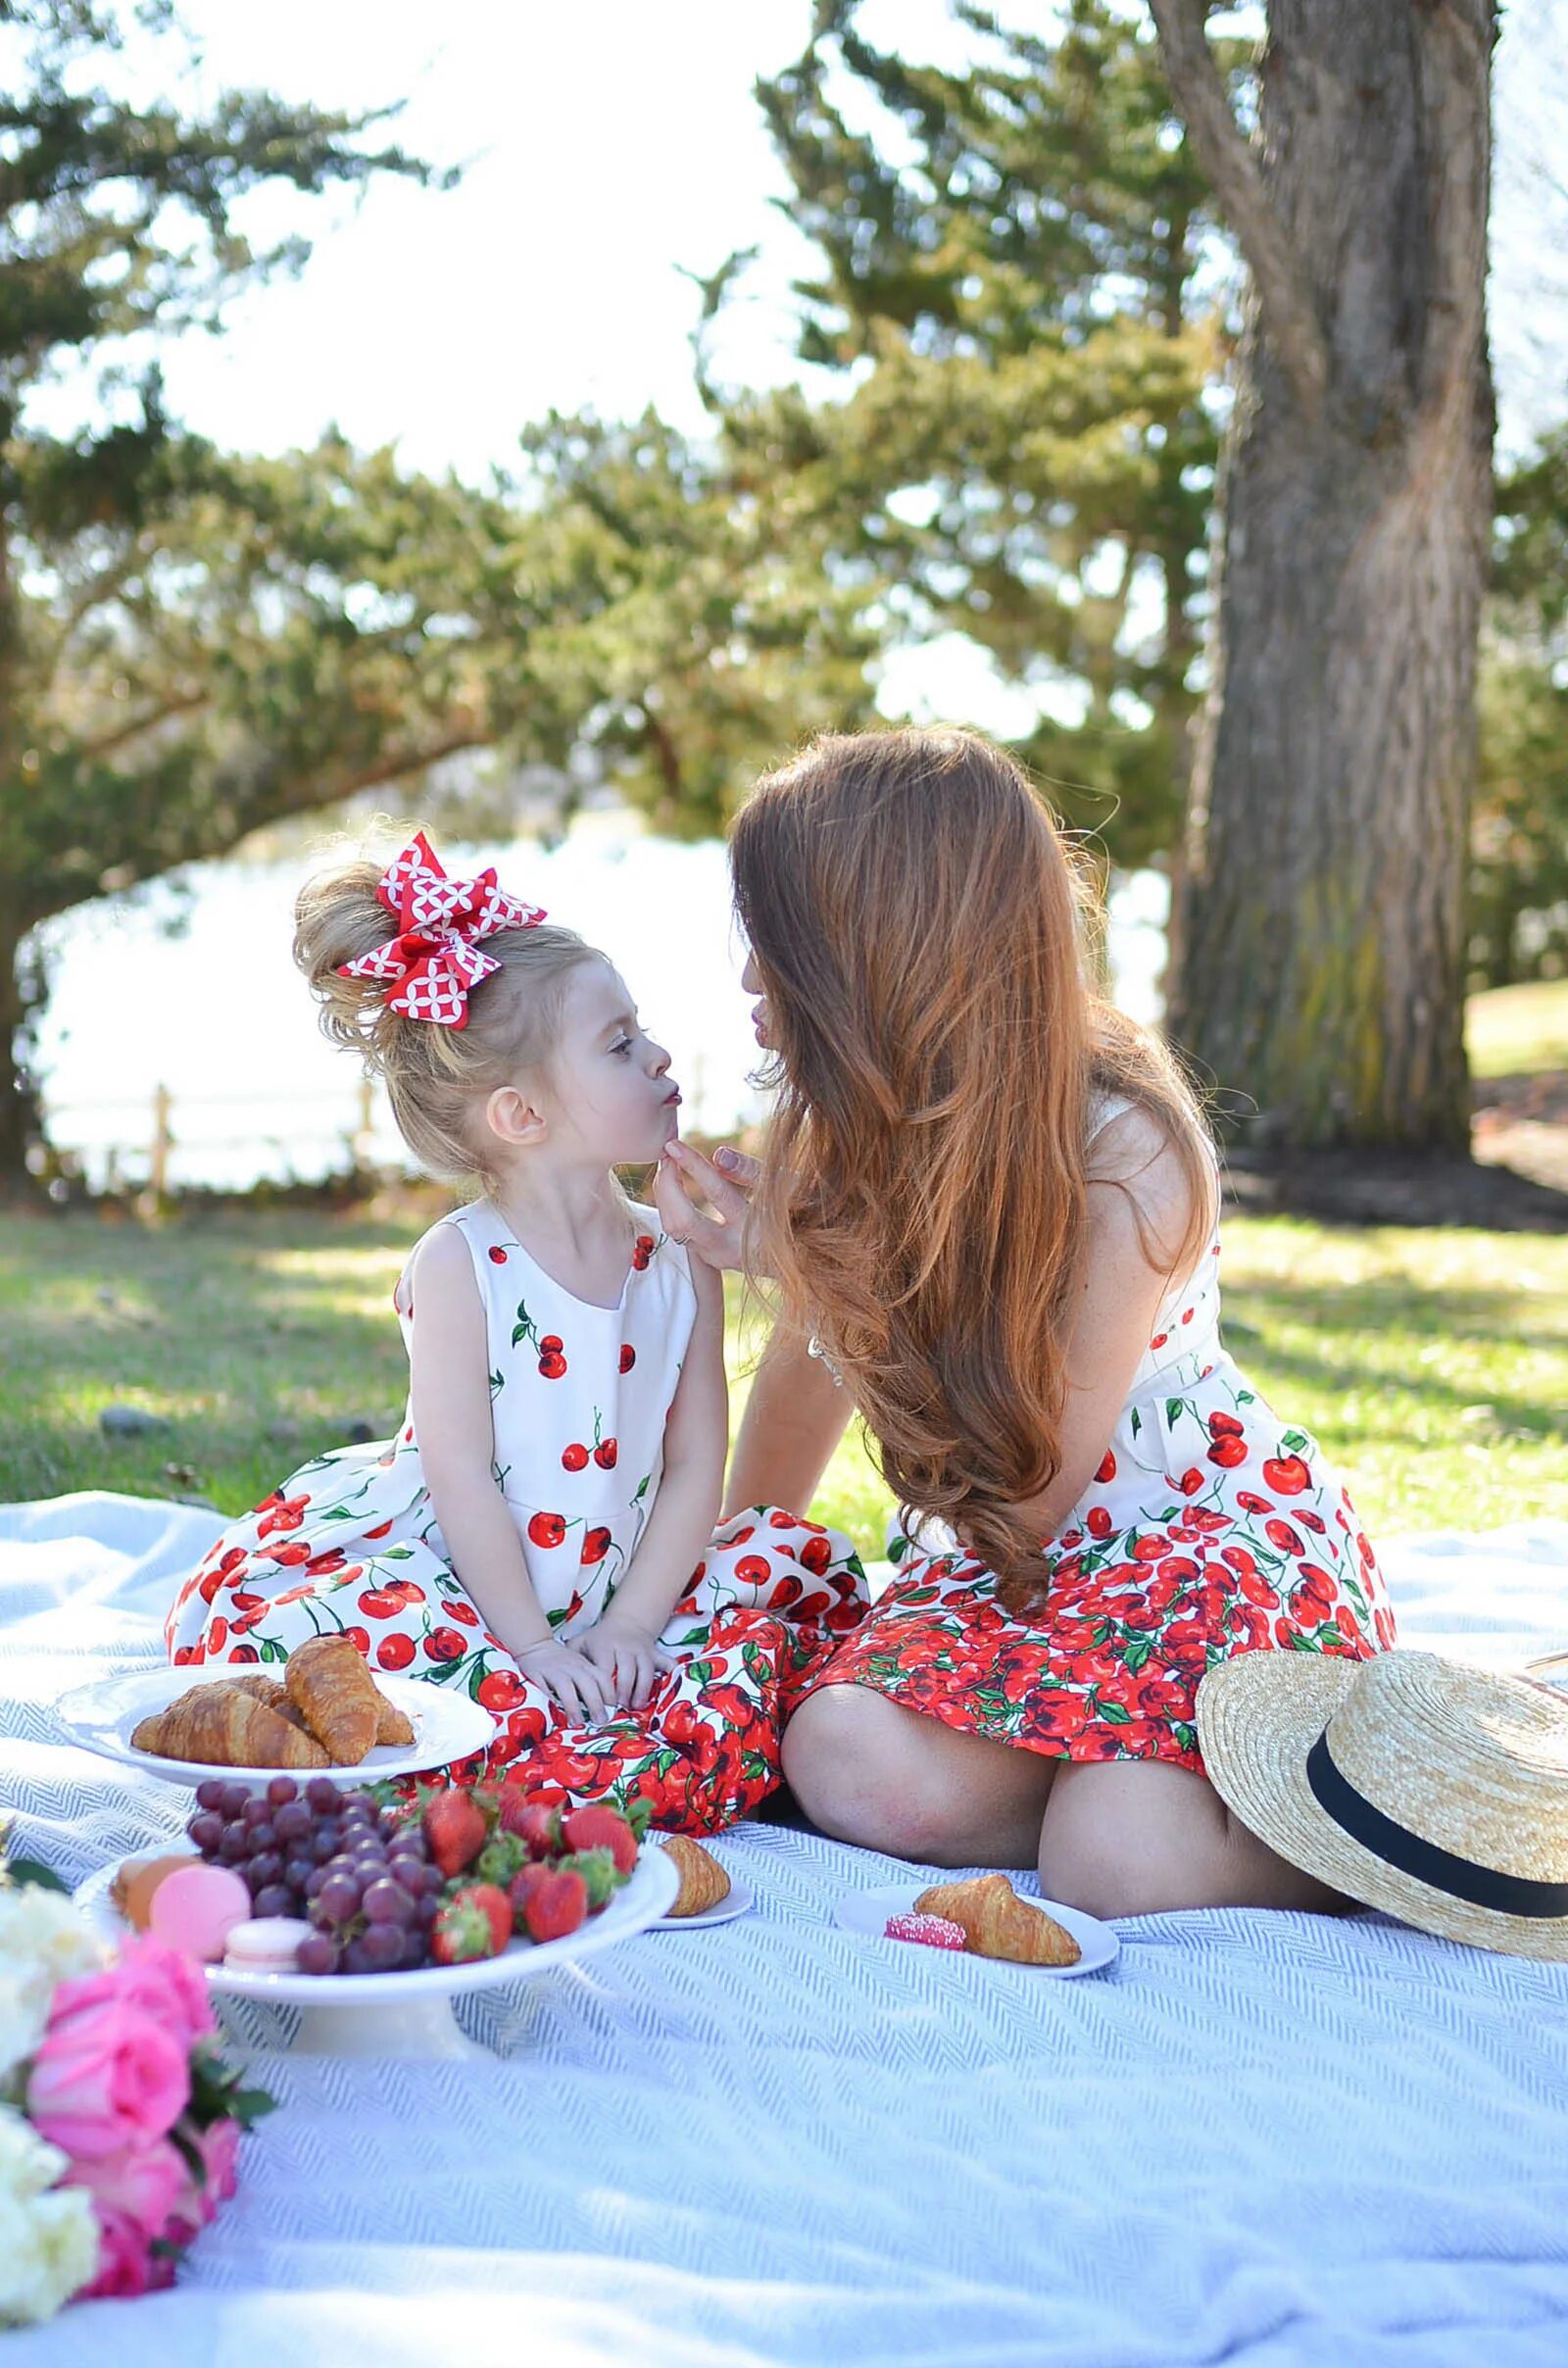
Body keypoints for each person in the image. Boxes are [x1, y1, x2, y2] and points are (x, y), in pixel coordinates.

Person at [657, 728, 1397, 1912]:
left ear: (881, 947)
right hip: (1022, 1590)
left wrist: (826, 1271)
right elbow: (806, 1378)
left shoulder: (1125, 1151)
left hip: (1179, 1551)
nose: (751, 977)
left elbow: (1035, 1493)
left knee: (1115, 1865)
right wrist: (736, 1568)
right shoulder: (850, 1119)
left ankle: (1355, 1803)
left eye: (774, 939)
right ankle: (1102, 1775)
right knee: (840, 1755)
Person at [165, 832, 867, 1832]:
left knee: (771, 1610)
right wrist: (532, 1647)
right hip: (473, 1571)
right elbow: (461, 1481)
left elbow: (691, 1466)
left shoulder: (677, 1258)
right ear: (521, 1113)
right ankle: (526, 1721)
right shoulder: (461, 1267)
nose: (659, 1054)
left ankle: (597, 1718)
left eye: (643, 1031)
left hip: (630, 1577)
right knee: (384, 1655)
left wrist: (630, 1626)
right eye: (619, 1043)